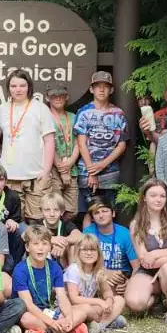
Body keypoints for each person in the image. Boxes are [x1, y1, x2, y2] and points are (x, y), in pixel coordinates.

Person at [0, 70, 56, 222]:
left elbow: (49, 140)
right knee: (12, 221)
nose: (18, 89)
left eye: (22, 85)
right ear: (8, 88)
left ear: (29, 87)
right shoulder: (3, 108)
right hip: (9, 177)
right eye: (13, 86)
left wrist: (46, 171)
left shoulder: (40, 108)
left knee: (37, 220)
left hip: (35, 175)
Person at [12, 225, 93, 333]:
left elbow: (62, 297)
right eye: (36, 244)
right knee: (26, 319)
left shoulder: (54, 267)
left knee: (82, 311)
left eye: (44, 244)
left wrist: (69, 317)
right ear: (27, 247)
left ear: (50, 246)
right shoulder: (20, 270)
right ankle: (67, 330)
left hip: (49, 310)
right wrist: (52, 322)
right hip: (30, 312)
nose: (41, 248)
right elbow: (28, 305)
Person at [124, 179, 167, 323]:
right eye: (153, 195)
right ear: (144, 198)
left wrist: (155, 254)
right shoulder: (136, 224)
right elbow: (144, 260)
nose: (158, 199)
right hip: (149, 271)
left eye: (162, 196)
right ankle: (156, 300)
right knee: (135, 303)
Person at [74, 71, 128, 226]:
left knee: (108, 210)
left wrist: (103, 164)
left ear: (111, 90)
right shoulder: (84, 112)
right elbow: (81, 143)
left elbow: (122, 144)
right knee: (89, 211)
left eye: (106, 86)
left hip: (110, 171)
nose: (102, 90)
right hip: (87, 171)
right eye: (98, 86)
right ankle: (88, 246)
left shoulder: (118, 113)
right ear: (91, 89)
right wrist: (92, 170)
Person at [64, 235, 126, 332]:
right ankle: (109, 321)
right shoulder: (74, 269)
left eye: (92, 250)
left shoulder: (98, 270)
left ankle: (101, 325)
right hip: (71, 308)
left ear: (98, 253)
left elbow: (107, 291)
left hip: (90, 307)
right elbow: (74, 299)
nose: (89, 253)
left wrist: (108, 302)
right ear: (78, 253)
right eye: (84, 250)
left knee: (119, 300)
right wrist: (100, 302)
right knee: (86, 308)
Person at [82, 200, 139, 296]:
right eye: (96, 213)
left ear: (113, 213)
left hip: (121, 274)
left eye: (104, 211)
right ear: (92, 218)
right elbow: (82, 261)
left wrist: (130, 282)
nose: (101, 215)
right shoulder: (88, 232)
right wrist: (104, 272)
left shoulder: (124, 233)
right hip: (96, 272)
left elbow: (136, 266)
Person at [43, 86, 80, 223]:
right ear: (47, 98)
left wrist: (70, 163)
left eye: (61, 95)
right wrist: (62, 169)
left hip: (72, 168)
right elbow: (47, 144)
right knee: (53, 209)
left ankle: (64, 235)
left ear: (67, 97)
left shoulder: (74, 117)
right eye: (54, 96)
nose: (58, 98)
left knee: (72, 211)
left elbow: (79, 142)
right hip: (53, 170)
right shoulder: (45, 117)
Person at [39, 195, 84, 266]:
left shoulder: (66, 224)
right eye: (47, 210)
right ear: (41, 211)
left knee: (72, 247)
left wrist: (61, 243)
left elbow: (80, 236)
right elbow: (26, 236)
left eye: (56, 210)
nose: (52, 214)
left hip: (62, 262)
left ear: (62, 212)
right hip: (42, 264)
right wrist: (51, 240)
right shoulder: (38, 225)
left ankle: (70, 274)